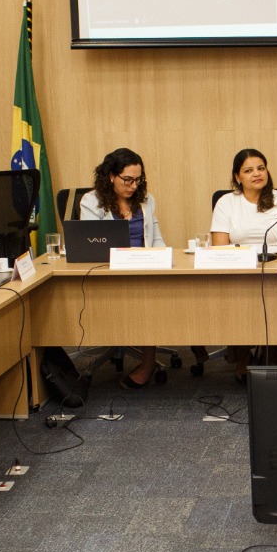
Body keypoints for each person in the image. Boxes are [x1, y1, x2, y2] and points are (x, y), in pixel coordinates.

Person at [212, 149, 277, 382]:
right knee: (236, 294)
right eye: (248, 170)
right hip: (237, 270)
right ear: (237, 177)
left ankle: (275, 359)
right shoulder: (226, 202)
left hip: (275, 270)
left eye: (261, 168)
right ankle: (242, 359)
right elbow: (219, 248)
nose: (257, 174)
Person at [83, 149, 167, 390]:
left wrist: (164, 259)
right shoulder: (92, 201)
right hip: (110, 271)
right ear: (111, 176)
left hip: (144, 269)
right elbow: (91, 244)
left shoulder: (146, 200)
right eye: (127, 180)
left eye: (137, 179)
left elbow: (156, 238)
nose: (133, 186)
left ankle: (148, 363)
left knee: (151, 296)